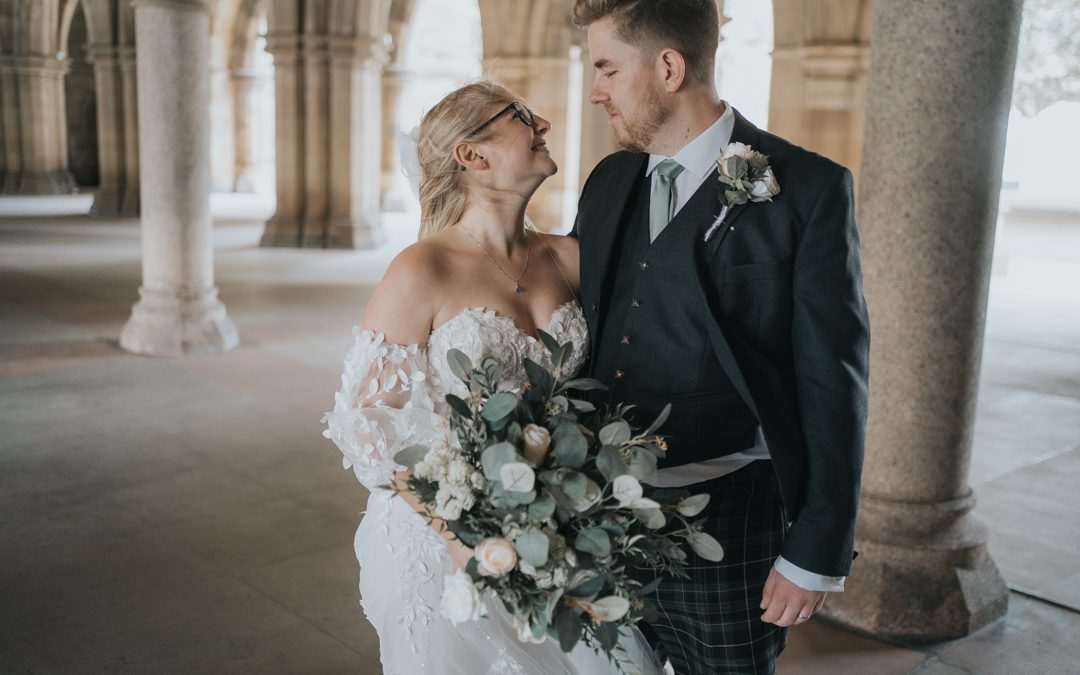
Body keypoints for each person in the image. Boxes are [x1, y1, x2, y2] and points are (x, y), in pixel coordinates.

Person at [570, 1, 871, 673]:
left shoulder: (808, 189)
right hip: (594, 518)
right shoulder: (610, 180)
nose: (596, 90)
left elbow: (834, 378)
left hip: (728, 519)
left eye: (608, 69)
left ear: (669, 67)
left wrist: (816, 549)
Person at [322, 81, 662, 675]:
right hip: (445, 539)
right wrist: (462, 533)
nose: (545, 124)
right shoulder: (422, 269)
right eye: (522, 117)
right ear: (472, 156)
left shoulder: (567, 258)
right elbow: (377, 428)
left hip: (556, 524)